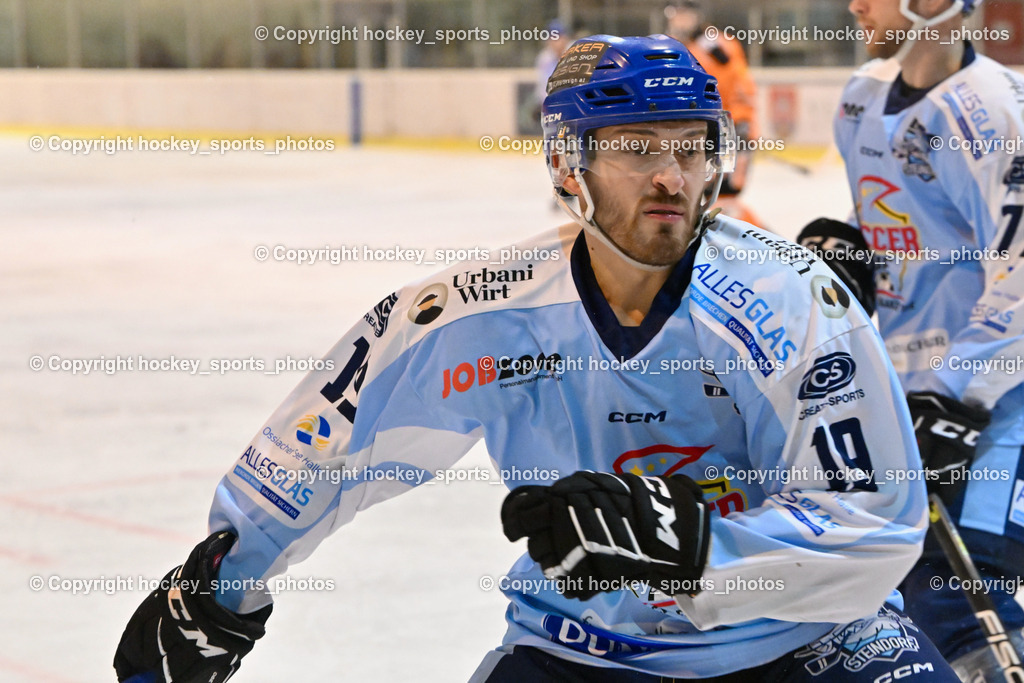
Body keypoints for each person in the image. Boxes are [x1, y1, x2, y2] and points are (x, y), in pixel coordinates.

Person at [114, 34, 960, 682]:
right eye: (635, 148)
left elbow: (876, 522)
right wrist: (224, 584)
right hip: (584, 646)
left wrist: (692, 548)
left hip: (800, 639)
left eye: (691, 147)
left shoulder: (791, 301)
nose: (670, 176)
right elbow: (333, 439)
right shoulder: (478, 313)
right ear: (567, 161)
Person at [799, 0, 1024, 678]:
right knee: (894, 583)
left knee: (958, 584)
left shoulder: (992, 113)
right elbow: (885, 217)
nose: (854, 5)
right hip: (903, 397)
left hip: (997, 402)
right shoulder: (860, 98)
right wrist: (846, 254)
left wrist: (954, 398)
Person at [666, 1, 762, 226]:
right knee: (686, 194)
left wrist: (741, 124)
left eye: (685, 13)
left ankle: (760, 247)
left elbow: (741, 87)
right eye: (674, 13)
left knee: (724, 196)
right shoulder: (668, 47)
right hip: (688, 134)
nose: (679, 19)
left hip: (727, 130)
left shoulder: (718, 45)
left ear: (697, 15)